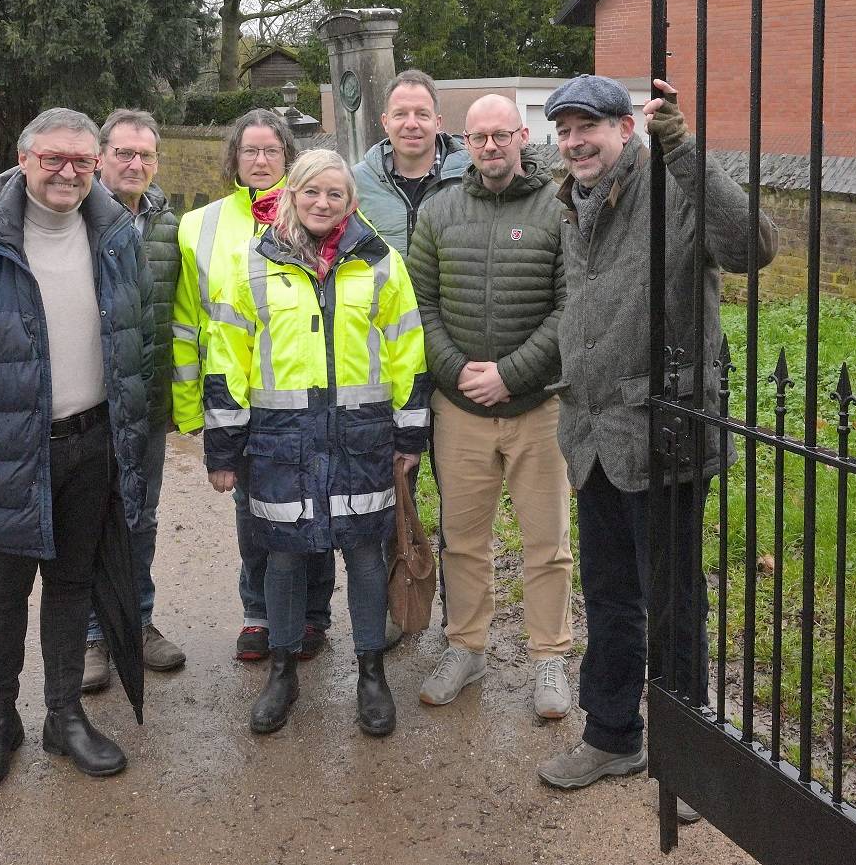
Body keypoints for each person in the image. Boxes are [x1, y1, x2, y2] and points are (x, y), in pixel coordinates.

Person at [0, 108, 154, 792]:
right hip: (10, 450)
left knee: (73, 584)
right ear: (23, 158)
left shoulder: (116, 236)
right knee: (4, 588)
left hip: (91, 443)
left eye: (81, 161)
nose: (68, 172)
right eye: (53, 159)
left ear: (96, 164)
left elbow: (137, 343)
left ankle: (64, 714)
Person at [534, 75, 776, 796]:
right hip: (592, 436)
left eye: (590, 128)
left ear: (625, 130)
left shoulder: (670, 188)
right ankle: (612, 736)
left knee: (672, 602)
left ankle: (689, 759)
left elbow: (752, 245)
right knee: (607, 595)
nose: (576, 142)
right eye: (565, 129)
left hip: (663, 435)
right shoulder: (571, 200)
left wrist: (684, 146)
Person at [202, 148, 430, 736]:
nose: (323, 204)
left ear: (351, 202)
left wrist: (410, 432)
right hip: (281, 441)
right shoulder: (251, 262)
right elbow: (227, 356)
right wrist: (225, 448)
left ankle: (371, 672)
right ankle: (282, 669)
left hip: (362, 439)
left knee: (363, 554)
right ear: (291, 196)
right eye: (311, 193)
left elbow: (407, 350)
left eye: (335, 194)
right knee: (283, 555)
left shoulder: (381, 263)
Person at [406, 94, 572, 718]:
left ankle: (549, 656)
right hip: (460, 411)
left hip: (537, 407)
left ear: (523, 136)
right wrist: (455, 371)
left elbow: (569, 305)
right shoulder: (440, 210)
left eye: (502, 135)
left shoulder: (558, 208)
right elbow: (418, 304)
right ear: (464, 142)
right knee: (462, 539)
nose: (491, 147)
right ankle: (466, 647)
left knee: (547, 542)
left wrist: (510, 374)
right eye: (479, 138)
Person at [170, 111, 338, 663]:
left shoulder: (316, 211)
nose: (261, 161)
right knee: (252, 514)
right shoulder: (200, 225)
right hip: (240, 397)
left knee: (314, 507)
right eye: (250, 152)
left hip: (306, 398)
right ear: (234, 159)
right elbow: (189, 321)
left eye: (271, 151)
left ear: (287, 157)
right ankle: (258, 615)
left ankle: (314, 614)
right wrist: (193, 405)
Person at [80, 109, 186, 695]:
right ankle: (96, 634)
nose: (135, 164)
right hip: (90, 404)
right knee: (95, 516)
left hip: (147, 402)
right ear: (101, 156)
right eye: (124, 153)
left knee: (140, 515)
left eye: (145, 155)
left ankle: (138, 621)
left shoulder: (170, 225)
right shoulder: (74, 216)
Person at [352, 68, 469, 254]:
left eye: (422, 114)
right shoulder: (355, 183)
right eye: (400, 114)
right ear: (385, 122)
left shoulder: (470, 178)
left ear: (437, 122)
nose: (411, 124)